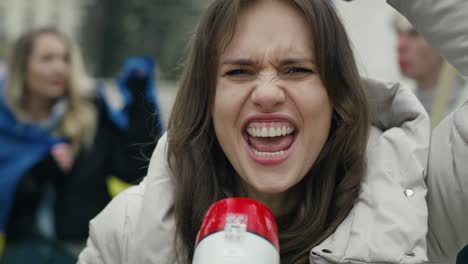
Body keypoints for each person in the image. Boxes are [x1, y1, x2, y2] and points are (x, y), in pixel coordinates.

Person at [78, 0, 468, 263]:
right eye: (239, 71)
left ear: (337, 95)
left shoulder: (415, 204)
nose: (266, 93)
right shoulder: (127, 232)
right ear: (207, 99)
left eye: (296, 69)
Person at [0, 29, 163, 263]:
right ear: (22, 67)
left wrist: (140, 98)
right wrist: (40, 171)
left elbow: (133, 167)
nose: (60, 68)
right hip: (24, 247)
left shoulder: (91, 111)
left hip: (82, 247)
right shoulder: (6, 123)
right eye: (47, 59)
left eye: (65, 59)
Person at [395, 14, 468, 126]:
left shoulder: (463, 112)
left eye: (415, 34)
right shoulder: (396, 111)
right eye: (398, 33)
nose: (400, 45)